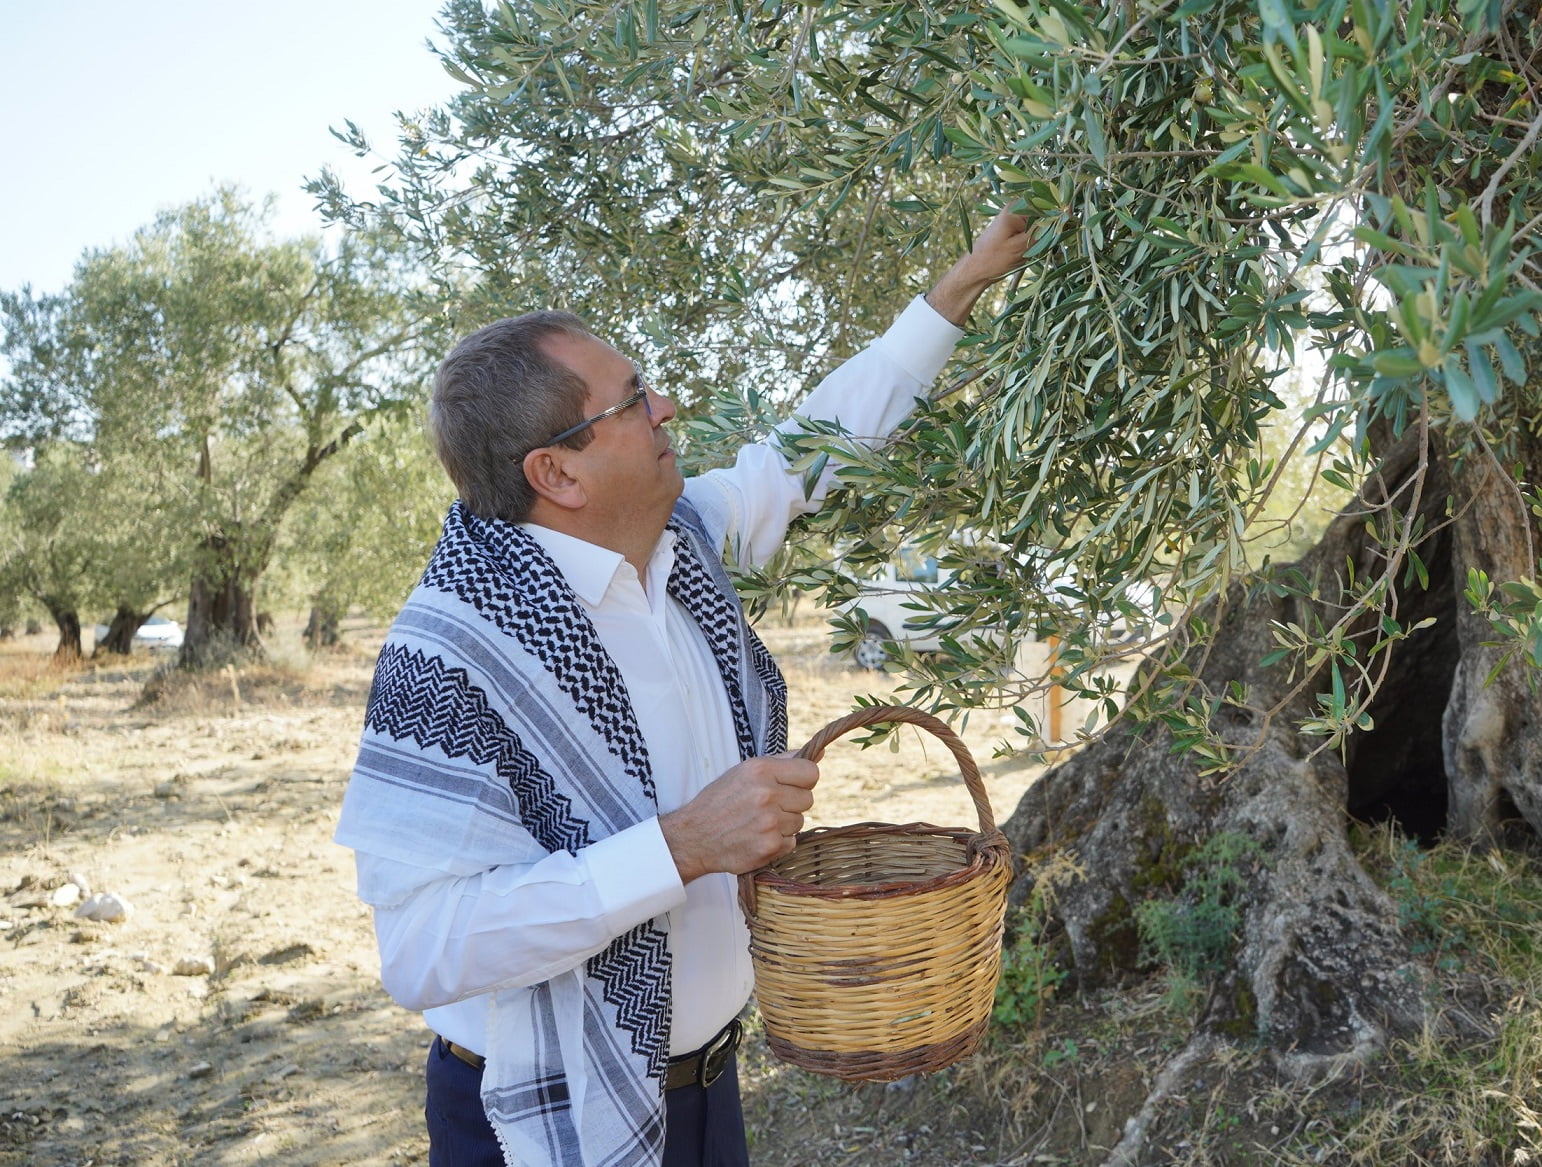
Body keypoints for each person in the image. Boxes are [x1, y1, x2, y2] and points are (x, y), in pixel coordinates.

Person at [334, 207, 1031, 1167]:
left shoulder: (678, 545)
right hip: (542, 1119)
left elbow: (799, 455)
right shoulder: (453, 654)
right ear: (557, 472)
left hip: (706, 1093)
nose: (667, 411)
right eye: (634, 401)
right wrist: (682, 845)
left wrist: (952, 297)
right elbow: (423, 948)